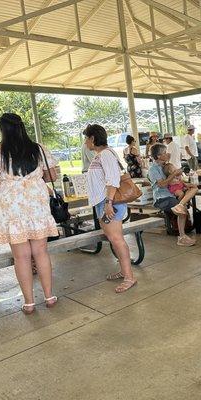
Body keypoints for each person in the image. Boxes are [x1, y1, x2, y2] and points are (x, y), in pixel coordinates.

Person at [0, 113, 59, 314]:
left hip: (12, 207)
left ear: (2, 130)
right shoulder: (37, 149)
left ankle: (29, 303)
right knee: (41, 252)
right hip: (36, 204)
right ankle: (49, 297)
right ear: (22, 127)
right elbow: (53, 175)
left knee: (21, 257)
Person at [84, 124, 137, 293]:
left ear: (93, 138)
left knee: (116, 239)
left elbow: (113, 180)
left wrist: (108, 203)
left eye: (86, 138)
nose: (85, 142)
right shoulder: (101, 155)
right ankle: (124, 271)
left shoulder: (105, 154)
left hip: (110, 203)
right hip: (105, 202)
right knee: (114, 238)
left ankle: (129, 277)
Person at [148, 143, 196, 246]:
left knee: (192, 189)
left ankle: (180, 205)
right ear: (159, 156)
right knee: (182, 211)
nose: (167, 154)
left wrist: (184, 183)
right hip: (162, 198)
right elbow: (162, 185)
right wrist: (174, 174)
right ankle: (182, 237)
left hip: (172, 195)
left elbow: (174, 181)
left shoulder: (166, 165)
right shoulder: (153, 169)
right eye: (164, 153)